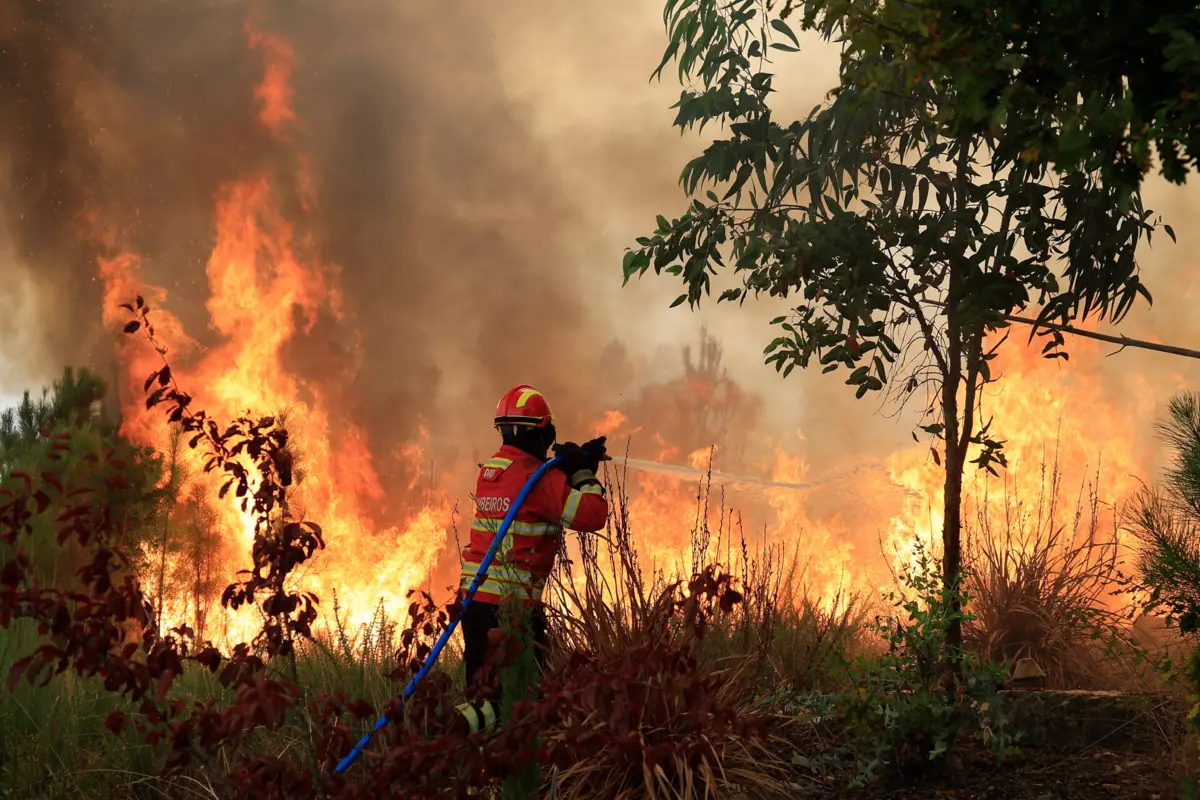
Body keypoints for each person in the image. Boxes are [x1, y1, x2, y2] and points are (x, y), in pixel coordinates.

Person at [452, 384, 609, 736]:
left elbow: (531, 493)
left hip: (474, 604)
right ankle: (455, 736)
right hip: (512, 611)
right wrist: (583, 474)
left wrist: (564, 469)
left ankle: (457, 755)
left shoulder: (492, 470)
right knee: (523, 700)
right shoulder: (540, 480)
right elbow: (591, 515)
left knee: (482, 697)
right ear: (541, 431)